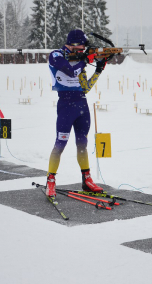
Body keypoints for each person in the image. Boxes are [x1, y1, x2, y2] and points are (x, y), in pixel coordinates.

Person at [45, 29, 108, 197]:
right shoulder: (56, 55)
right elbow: (70, 71)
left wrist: (98, 70)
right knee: (60, 144)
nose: (82, 52)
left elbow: (85, 87)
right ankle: (50, 181)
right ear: (71, 45)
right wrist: (85, 60)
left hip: (82, 105)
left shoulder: (81, 60)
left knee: (82, 144)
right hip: (65, 105)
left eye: (83, 50)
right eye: (80, 49)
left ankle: (87, 179)